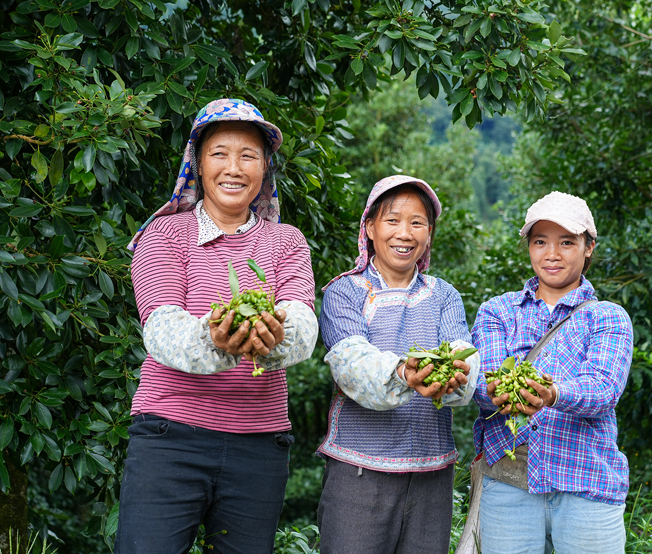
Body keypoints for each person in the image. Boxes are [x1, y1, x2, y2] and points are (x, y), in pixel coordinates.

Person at [115, 98, 318, 554]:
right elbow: (162, 330)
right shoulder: (165, 235)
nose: (234, 168)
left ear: (264, 168)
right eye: (219, 154)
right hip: (170, 436)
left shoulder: (287, 242)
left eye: (248, 156)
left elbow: (302, 325)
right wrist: (216, 337)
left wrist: (275, 337)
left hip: (259, 442)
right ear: (198, 163)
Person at [315, 175, 481, 554]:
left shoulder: (444, 296)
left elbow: (462, 352)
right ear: (370, 227)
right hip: (359, 473)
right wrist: (407, 373)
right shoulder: (345, 292)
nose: (404, 233)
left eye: (417, 222)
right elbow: (352, 366)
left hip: (431, 475)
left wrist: (459, 375)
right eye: (392, 220)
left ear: (429, 233)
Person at [471, 191, 633, 554]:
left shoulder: (607, 316)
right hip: (509, 486)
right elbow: (482, 384)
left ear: (589, 247)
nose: (552, 254)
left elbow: (603, 390)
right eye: (540, 241)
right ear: (529, 247)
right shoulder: (498, 311)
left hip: (587, 483)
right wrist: (495, 392)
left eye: (567, 242)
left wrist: (552, 394)